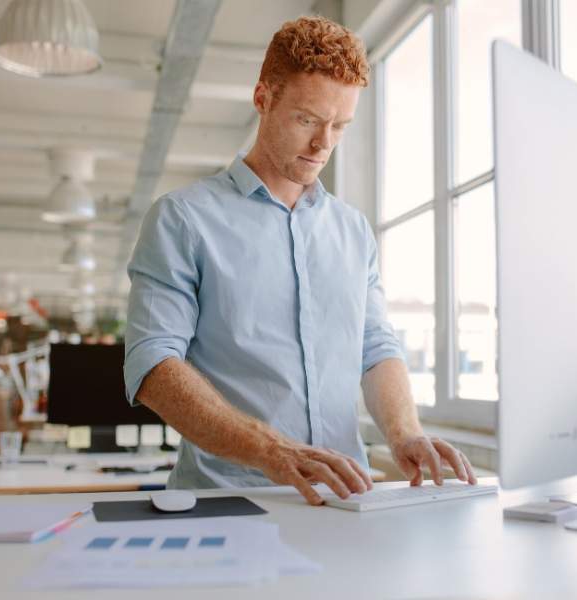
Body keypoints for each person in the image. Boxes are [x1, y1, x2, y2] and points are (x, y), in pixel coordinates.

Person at [124, 15, 476, 506]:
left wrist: (404, 433)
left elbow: (375, 347)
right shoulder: (183, 219)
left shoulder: (353, 231)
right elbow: (154, 365)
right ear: (263, 98)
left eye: (340, 126)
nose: (323, 143)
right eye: (307, 119)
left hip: (344, 501)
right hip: (225, 502)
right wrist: (273, 451)